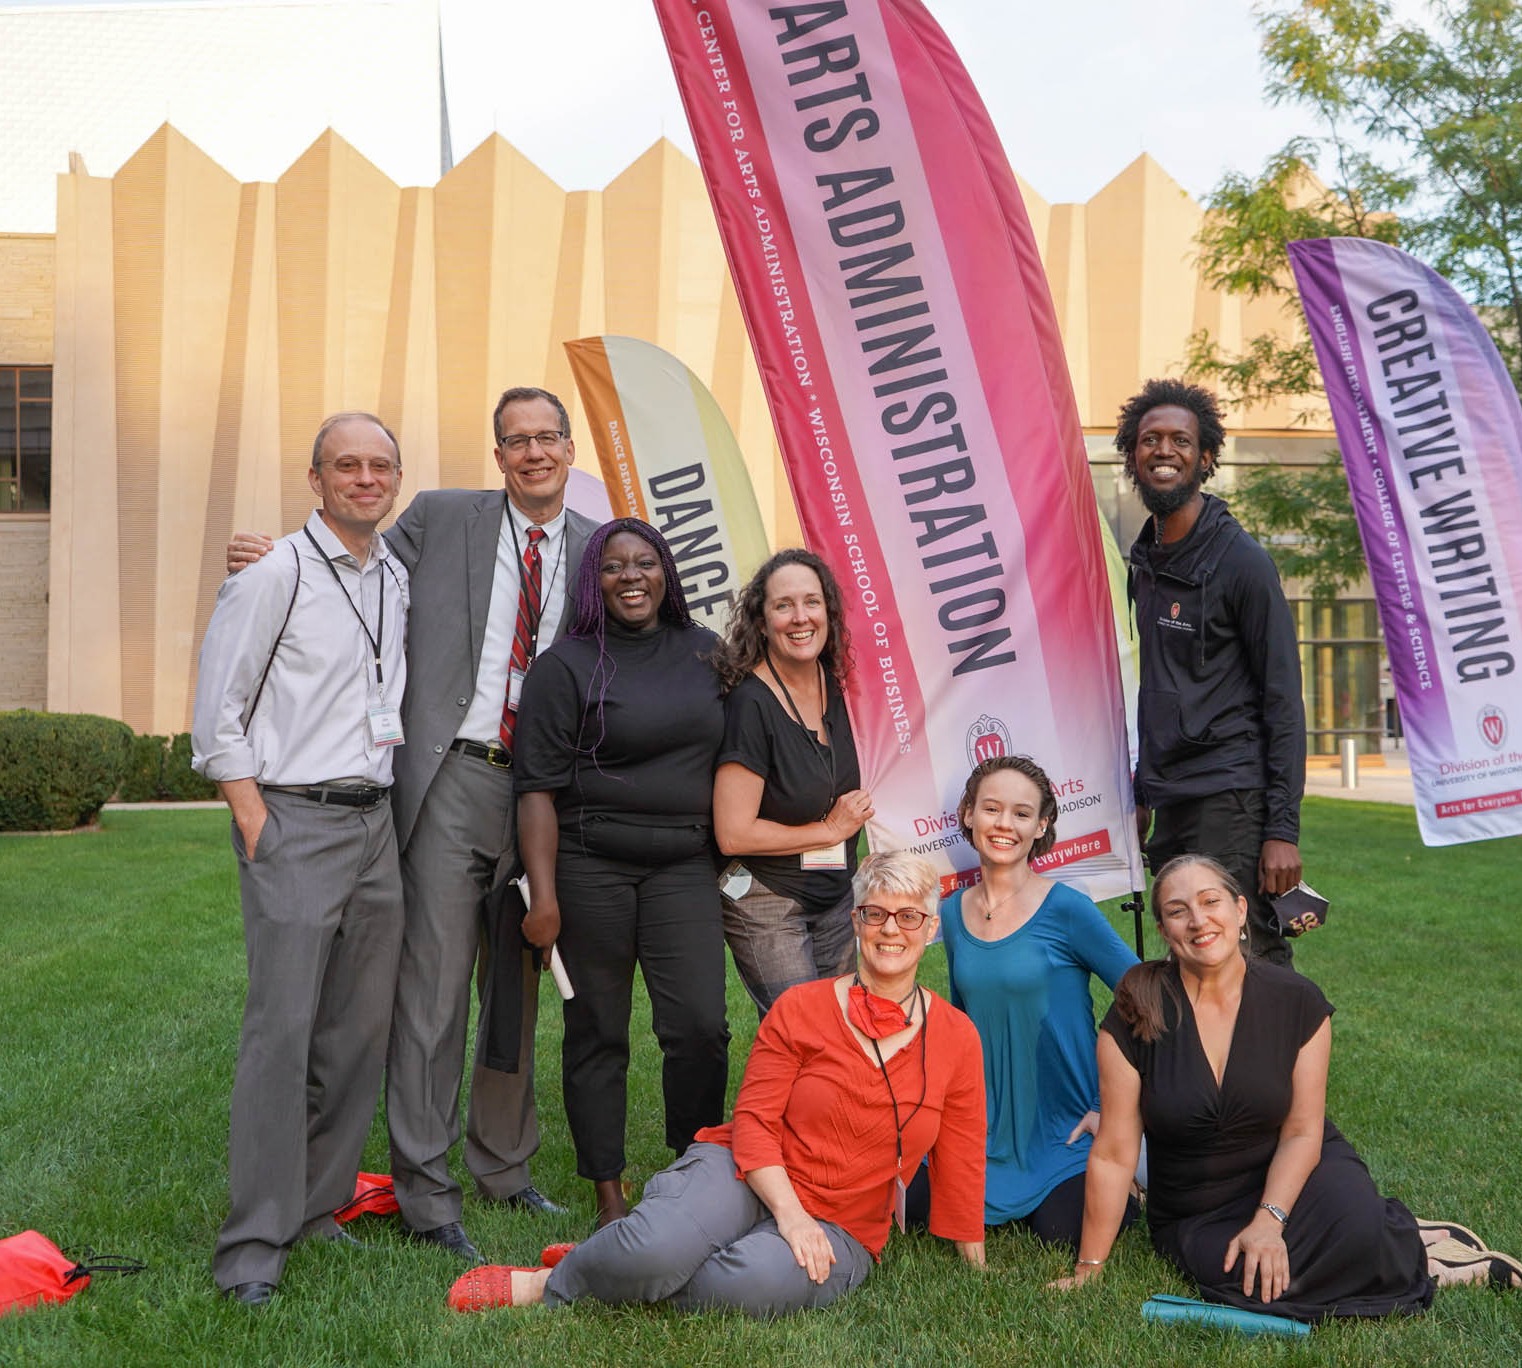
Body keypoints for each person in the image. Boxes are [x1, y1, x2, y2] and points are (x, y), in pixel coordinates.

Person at [227, 386, 592, 1262]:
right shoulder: (441, 517)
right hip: (453, 779)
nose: (533, 452)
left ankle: (505, 1166)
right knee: (429, 994)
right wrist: (273, 551)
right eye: (516, 440)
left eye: (547, 438)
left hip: (546, 797)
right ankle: (428, 1192)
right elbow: (346, 555)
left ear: (570, 448)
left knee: (517, 986)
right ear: (497, 454)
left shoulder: (600, 550)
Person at [448, 852, 988, 1318]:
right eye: (876, 914)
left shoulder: (957, 1037)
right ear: (855, 920)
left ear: (931, 929)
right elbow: (754, 1121)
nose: (891, 930)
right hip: (747, 1169)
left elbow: (961, 1154)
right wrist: (790, 1215)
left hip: (844, 1221)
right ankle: (560, 1279)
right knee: (657, 1248)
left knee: (745, 1285)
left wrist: (973, 1262)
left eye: (909, 916)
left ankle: (616, 1261)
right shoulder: (801, 1007)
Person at [1058, 853, 1522, 1318]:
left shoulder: (1298, 1001)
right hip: (1200, 1206)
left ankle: (1423, 1255)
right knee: (1249, 1279)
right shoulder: (1136, 1013)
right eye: (1179, 910)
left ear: (1240, 911)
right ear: (1163, 930)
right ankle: (1407, 1240)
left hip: (1295, 1166)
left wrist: (1269, 1218)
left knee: (1350, 1229)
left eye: (1210, 901)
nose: (1199, 920)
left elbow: (1303, 1130)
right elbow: (1115, 1153)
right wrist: (1090, 1265)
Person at [193, 412, 409, 1305]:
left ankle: (318, 1211)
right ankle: (252, 1248)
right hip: (293, 822)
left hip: (375, 828)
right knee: (280, 1036)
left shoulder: (395, 574)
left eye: (380, 466)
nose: (365, 478)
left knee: (357, 1033)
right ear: (315, 478)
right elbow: (217, 714)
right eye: (346, 465)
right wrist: (254, 819)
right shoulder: (273, 572)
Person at [513, 517, 731, 1229]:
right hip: (589, 867)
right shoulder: (565, 665)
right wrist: (543, 899)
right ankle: (608, 1194)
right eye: (613, 566)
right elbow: (537, 789)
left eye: (645, 563)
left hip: (684, 868)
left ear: (666, 572)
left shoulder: (706, 654)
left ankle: (692, 1173)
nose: (630, 576)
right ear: (592, 582)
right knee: (597, 1030)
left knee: (699, 1026)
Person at [914, 755, 1138, 1248]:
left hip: (1064, 1124)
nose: (1004, 825)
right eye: (991, 808)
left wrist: (1109, 1105)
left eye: (1021, 813)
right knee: (913, 1206)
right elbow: (962, 1024)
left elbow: (1145, 994)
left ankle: (1129, 1171)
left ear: (1041, 826)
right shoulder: (951, 913)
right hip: (983, 1123)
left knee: (1061, 1230)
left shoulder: (1068, 909)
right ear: (968, 814)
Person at [1118, 379, 1306, 964]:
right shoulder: (1145, 557)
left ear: (1205, 458)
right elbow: (1158, 687)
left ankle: (1289, 1054)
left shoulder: (1242, 563)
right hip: (1172, 795)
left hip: (1231, 791)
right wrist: (1144, 788)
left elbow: (1283, 701)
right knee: (1188, 952)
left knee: (1243, 953)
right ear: (1131, 455)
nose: (1164, 450)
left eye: (1180, 440)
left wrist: (1282, 830)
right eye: (1150, 439)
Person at [712, 549, 874, 1016]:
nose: (800, 617)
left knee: (845, 1032)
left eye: (812, 602)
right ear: (762, 622)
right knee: (805, 1032)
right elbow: (732, 832)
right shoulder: (751, 704)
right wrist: (829, 830)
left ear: (829, 612)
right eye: (784, 605)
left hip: (835, 891)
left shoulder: (838, 686)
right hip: (766, 896)